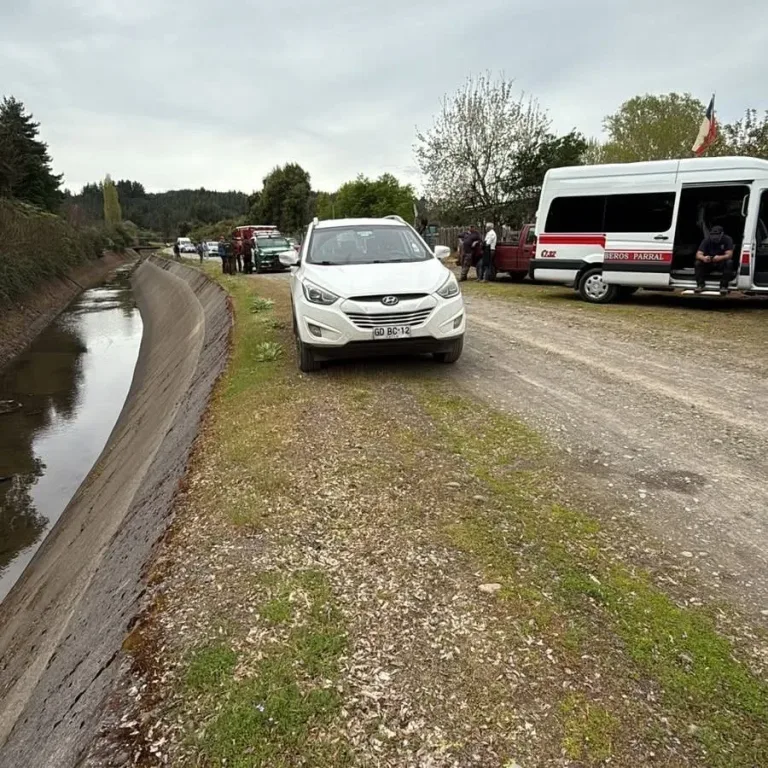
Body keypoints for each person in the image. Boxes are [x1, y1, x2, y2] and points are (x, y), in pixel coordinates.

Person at [695, 225, 734, 295]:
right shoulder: (707, 240)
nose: (714, 237)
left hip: (721, 263)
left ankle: (723, 286)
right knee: (698, 263)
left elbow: (729, 255)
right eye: (712, 235)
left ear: (722, 234)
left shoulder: (727, 239)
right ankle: (700, 285)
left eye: (717, 235)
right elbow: (698, 254)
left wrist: (720, 257)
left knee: (729, 262)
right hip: (709, 262)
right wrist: (704, 258)